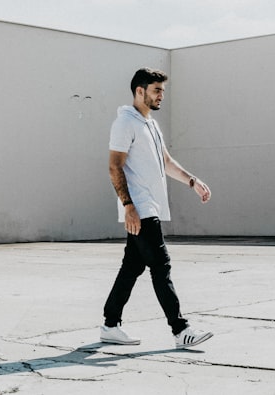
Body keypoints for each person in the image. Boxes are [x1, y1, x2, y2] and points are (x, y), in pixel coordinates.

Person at [99, 67, 214, 349]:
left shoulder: (149, 123)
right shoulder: (125, 123)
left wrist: (191, 180)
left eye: (163, 90)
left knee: (132, 267)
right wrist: (128, 206)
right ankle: (181, 330)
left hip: (149, 207)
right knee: (161, 266)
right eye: (156, 90)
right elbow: (115, 166)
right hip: (141, 208)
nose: (161, 95)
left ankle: (110, 325)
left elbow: (165, 161)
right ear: (140, 91)